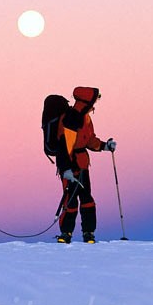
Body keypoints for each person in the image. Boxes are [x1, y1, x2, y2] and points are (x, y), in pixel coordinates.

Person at [55, 87, 116, 244]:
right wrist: (65, 169)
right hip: (70, 166)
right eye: (95, 99)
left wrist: (105, 146)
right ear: (86, 101)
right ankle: (66, 233)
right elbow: (63, 147)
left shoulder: (85, 118)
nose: (96, 103)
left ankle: (88, 233)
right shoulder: (70, 118)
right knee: (71, 200)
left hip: (82, 164)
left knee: (87, 198)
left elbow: (89, 140)